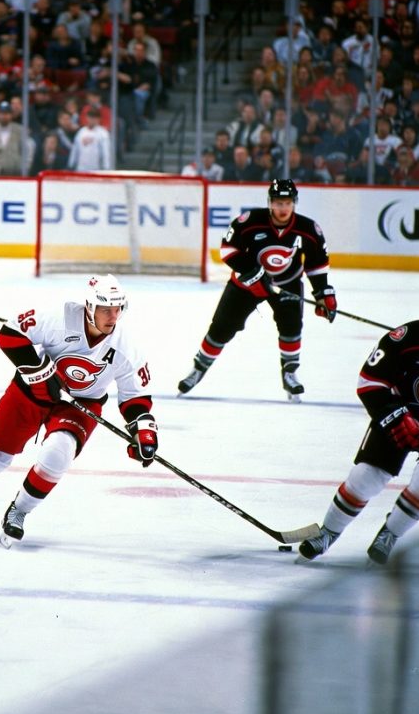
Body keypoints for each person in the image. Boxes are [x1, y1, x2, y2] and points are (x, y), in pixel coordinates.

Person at [0, 273, 158, 544]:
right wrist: (38, 373)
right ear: (90, 307)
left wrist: (143, 430)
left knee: (59, 453)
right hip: (31, 392)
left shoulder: (125, 346)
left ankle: (19, 511)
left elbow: (136, 397)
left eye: (118, 309)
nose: (113, 317)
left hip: (81, 404)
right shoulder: (60, 319)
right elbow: (10, 335)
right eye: (106, 309)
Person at [177, 179, 336, 402]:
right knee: (222, 327)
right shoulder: (249, 222)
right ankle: (198, 368)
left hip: (287, 283)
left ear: (294, 203)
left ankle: (289, 373)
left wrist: (323, 294)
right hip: (246, 284)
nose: (283, 208)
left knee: (291, 326)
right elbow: (228, 250)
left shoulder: (308, 229)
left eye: (287, 203)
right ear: (270, 203)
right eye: (278, 203)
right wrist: (252, 273)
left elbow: (316, 263)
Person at [298, 320, 419, 566]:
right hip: (398, 414)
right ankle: (328, 532)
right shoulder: (406, 337)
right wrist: (396, 417)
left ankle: (390, 535)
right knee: (366, 476)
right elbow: (369, 383)